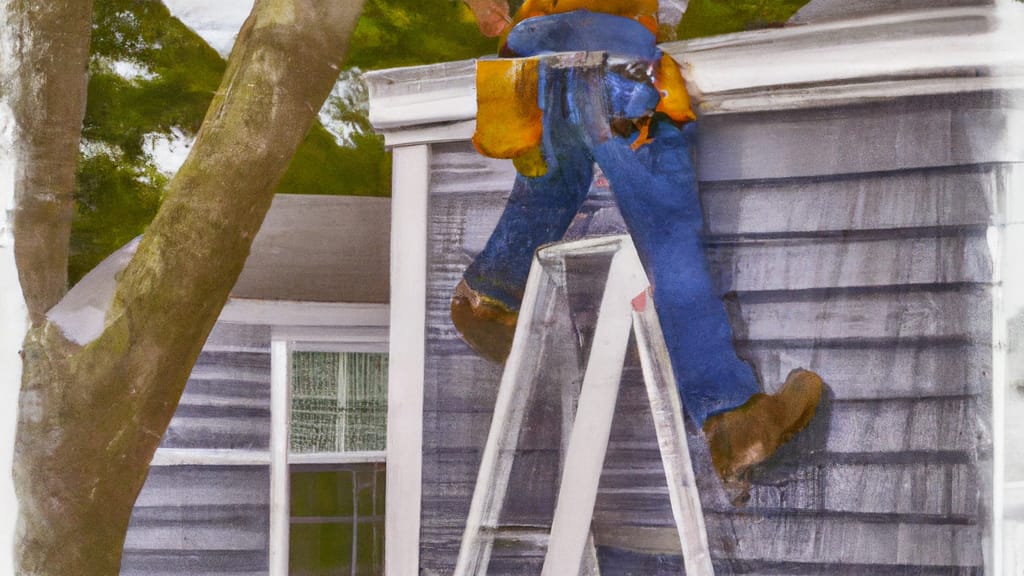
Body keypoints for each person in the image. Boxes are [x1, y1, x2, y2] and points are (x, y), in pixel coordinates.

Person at [455, 0, 823, 500]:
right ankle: (734, 417)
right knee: (668, 232)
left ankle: (487, 297)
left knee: (551, 185)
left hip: (532, 67)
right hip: (615, 59)